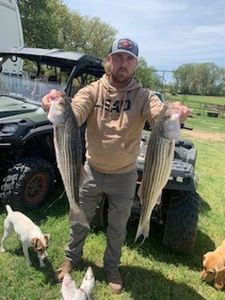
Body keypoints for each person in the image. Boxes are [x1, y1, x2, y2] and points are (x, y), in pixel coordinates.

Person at [42, 37, 189, 294]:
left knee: (117, 226)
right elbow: (73, 114)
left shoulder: (144, 96)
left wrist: (173, 112)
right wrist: (55, 104)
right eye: (118, 57)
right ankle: (70, 259)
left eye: (129, 59)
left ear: (135, 64)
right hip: (91, 170)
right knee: (78, 220)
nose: (123, 63)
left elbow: (158, 116)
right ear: (108, 60)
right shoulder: (91, 90)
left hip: (125, 175)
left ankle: (112, 266)